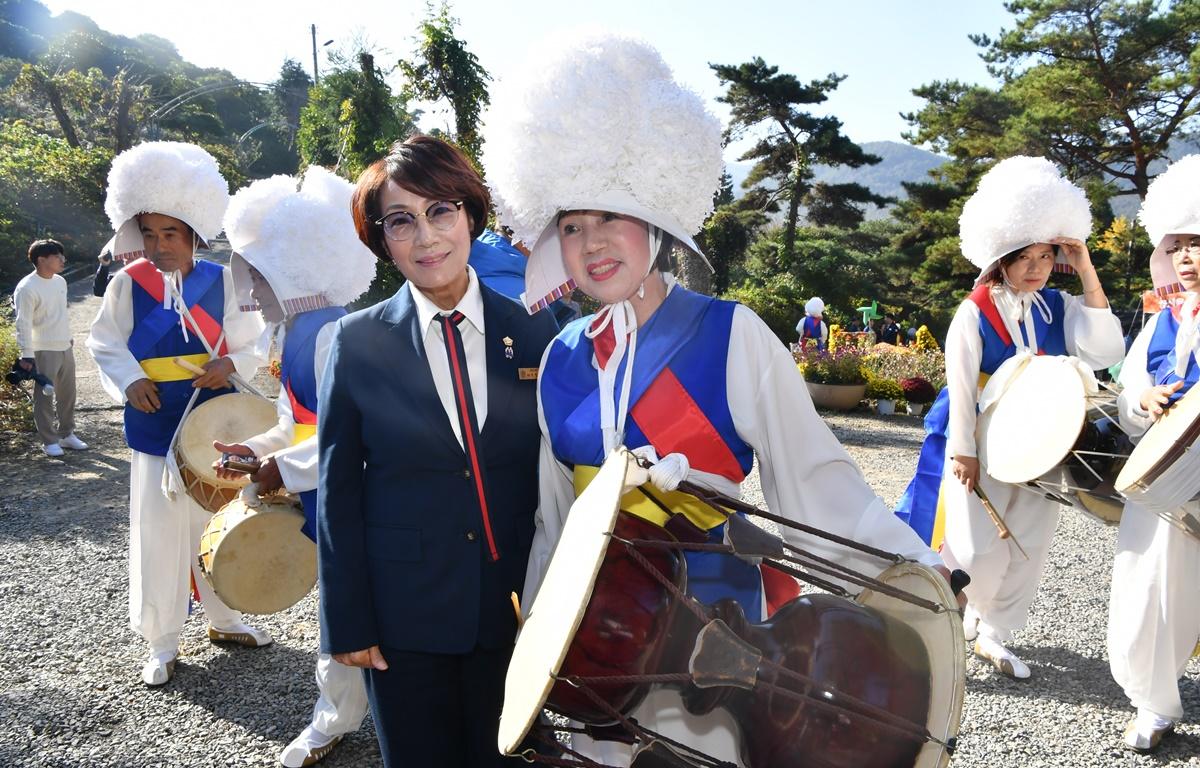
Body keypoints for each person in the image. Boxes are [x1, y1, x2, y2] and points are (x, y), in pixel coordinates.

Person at [481, 31, 957, 766]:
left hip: (723, 646)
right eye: (571, 226)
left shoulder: (730, 335)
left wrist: (917, 572)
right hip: (600, 649)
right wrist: (541, 655)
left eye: (610, 215)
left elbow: (816, 483)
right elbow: (555, 528)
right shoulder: (561, 361)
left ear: (654, 215)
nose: (592, 242)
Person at [317, 135, 559, 768]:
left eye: (440, 211)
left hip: (511, 607)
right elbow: (336, 490)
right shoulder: (356, 341)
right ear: (381, 238)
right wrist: (346, 621)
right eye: (401, 221)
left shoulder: (535, 330)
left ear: (471, 215)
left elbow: (558, 468)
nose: (425, 238)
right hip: (401, 617)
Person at [895, 156, 1123, 680]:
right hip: (985, 441)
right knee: (974, 545)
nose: (1038, 267)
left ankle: (995, 634)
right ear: (1001, 256)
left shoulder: (1057, 308)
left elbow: (1105, 350)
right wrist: (965, 451)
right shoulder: (974, 311)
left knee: (1030, 539)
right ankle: (956, 613)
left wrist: (1086, 267)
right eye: (1026, 256)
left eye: (1047, 256)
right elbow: (959, 382)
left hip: (1046, 441)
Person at [86, 141, 270, 687]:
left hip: (211, 421)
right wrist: (132, 378)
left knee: (216, 522)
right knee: (159, 528)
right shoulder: (128, 283)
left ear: (192, 233)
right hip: (152, 422)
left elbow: (252, 342)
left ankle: (224, 616)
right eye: (149, 233)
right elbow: (104, 342)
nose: (159, 244)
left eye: (170, 233)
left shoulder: (224, 281)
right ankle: (163, 641)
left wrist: (230, 363)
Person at [211, 167, 375, 767]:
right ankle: (339, 715)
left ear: (289, 266)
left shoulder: (335, 331)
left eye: (256, 273)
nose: (249, 290)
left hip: (359, 492)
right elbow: (295, 422)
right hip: (322, 485)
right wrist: (256, 452)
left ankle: (347, 717)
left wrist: (283, 464)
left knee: (354, 604)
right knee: (346, 606)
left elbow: (353, 434)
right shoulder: (291, 330)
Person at [1108, 154, 1200, 752]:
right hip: (1165, 481)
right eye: (1181, 246)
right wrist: (1144, 398)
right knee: (1151, 586)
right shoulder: (1162, 320)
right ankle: (1154, 702)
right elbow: (1125, 399)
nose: (1188, 257)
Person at [13, 238, 86, 456]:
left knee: (68, 393)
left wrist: (68, 337)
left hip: (64, 346)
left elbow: (60, 314)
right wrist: (26, 355)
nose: (63, 260)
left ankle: (67, 434)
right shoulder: (26, 288)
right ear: (41, 259)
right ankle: (49, 440)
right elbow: (22, 323)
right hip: (42, 349)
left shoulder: (60, 282)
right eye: (57, 256)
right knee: (45, 395)